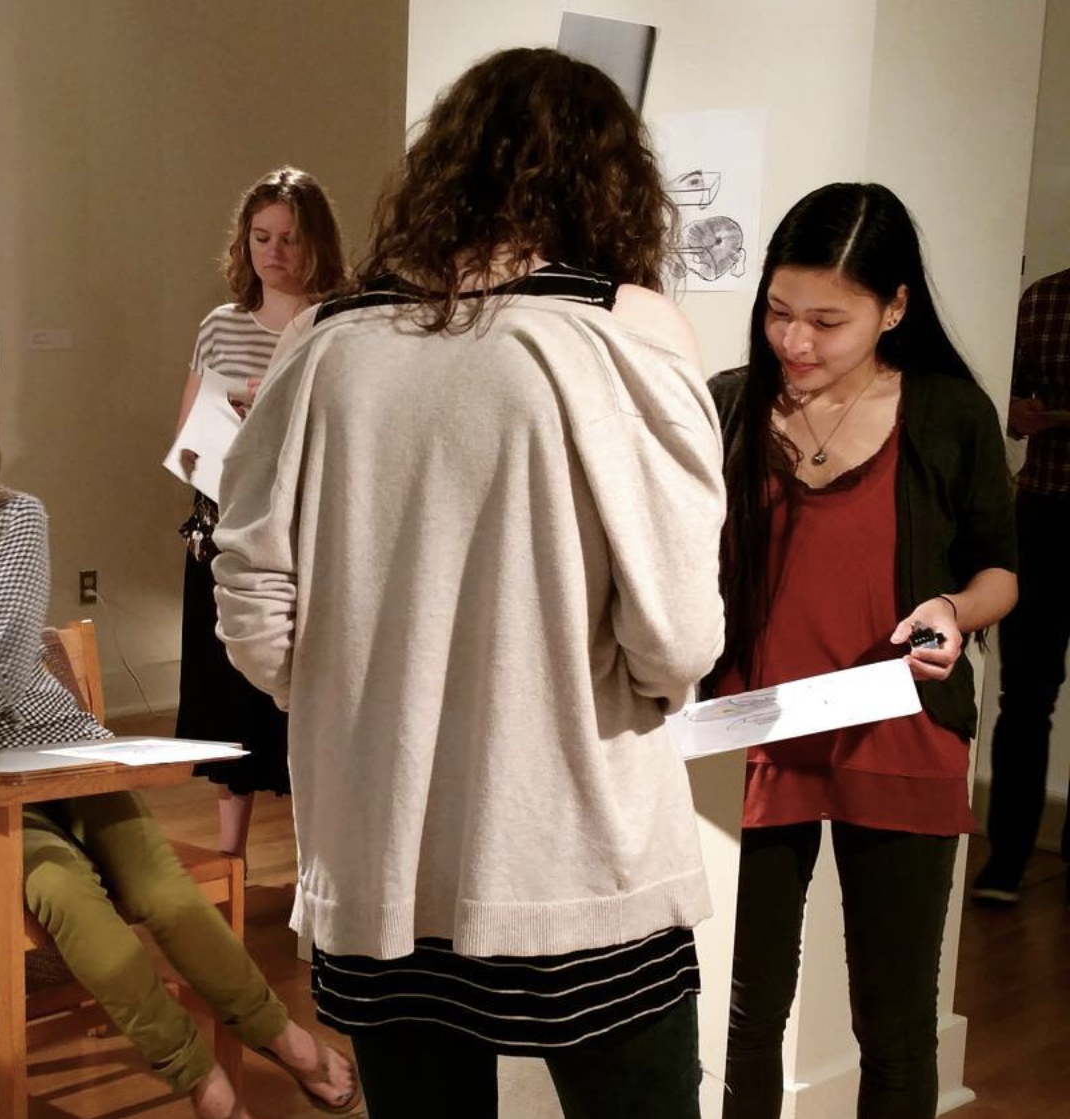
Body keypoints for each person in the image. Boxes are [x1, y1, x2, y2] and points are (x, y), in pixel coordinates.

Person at [212, 49, 726, 1119]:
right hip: (576, 845)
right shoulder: (623, 331)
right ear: (608, 181)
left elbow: (252, 602)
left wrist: (357, 708)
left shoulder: (324, 340)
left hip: (379, 846)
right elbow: (678, 637)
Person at [0, 342, 358, 1119]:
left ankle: (285, 1039)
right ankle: (199, 1077)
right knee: (71, 898)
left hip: (69, 758)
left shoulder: (16, 517)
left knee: (166, 896)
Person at [705, 183, 1018, 1119]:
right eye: (779, 312)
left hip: (899, 732)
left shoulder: (948, 412)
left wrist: (954, 609)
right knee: (743, 1013)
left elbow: (1000, 569)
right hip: (751, 732)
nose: (795, 341)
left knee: (895, 1023)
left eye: (827, 321)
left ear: (894, 307)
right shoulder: (730, 404)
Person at [171, 167, 345, 859]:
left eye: (289, 238)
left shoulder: (337, 321)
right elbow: (186, 445)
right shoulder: (219, 325)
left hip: (305, 531)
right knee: (227, 698)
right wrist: (232, 417)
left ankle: (313, 865)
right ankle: (230, 857)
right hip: (226, 522)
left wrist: (266, 402)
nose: (273, 252)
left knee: (305, 696)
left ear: (316, 242)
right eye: (261, 237)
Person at [973, 265, 1070, 906]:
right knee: (1025, 695)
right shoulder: (1044, 299)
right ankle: (1006, 860)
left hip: (1045, 510)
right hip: (1044, 512)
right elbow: (1003, 389)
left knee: (1027, 699)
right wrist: (1015, 410)